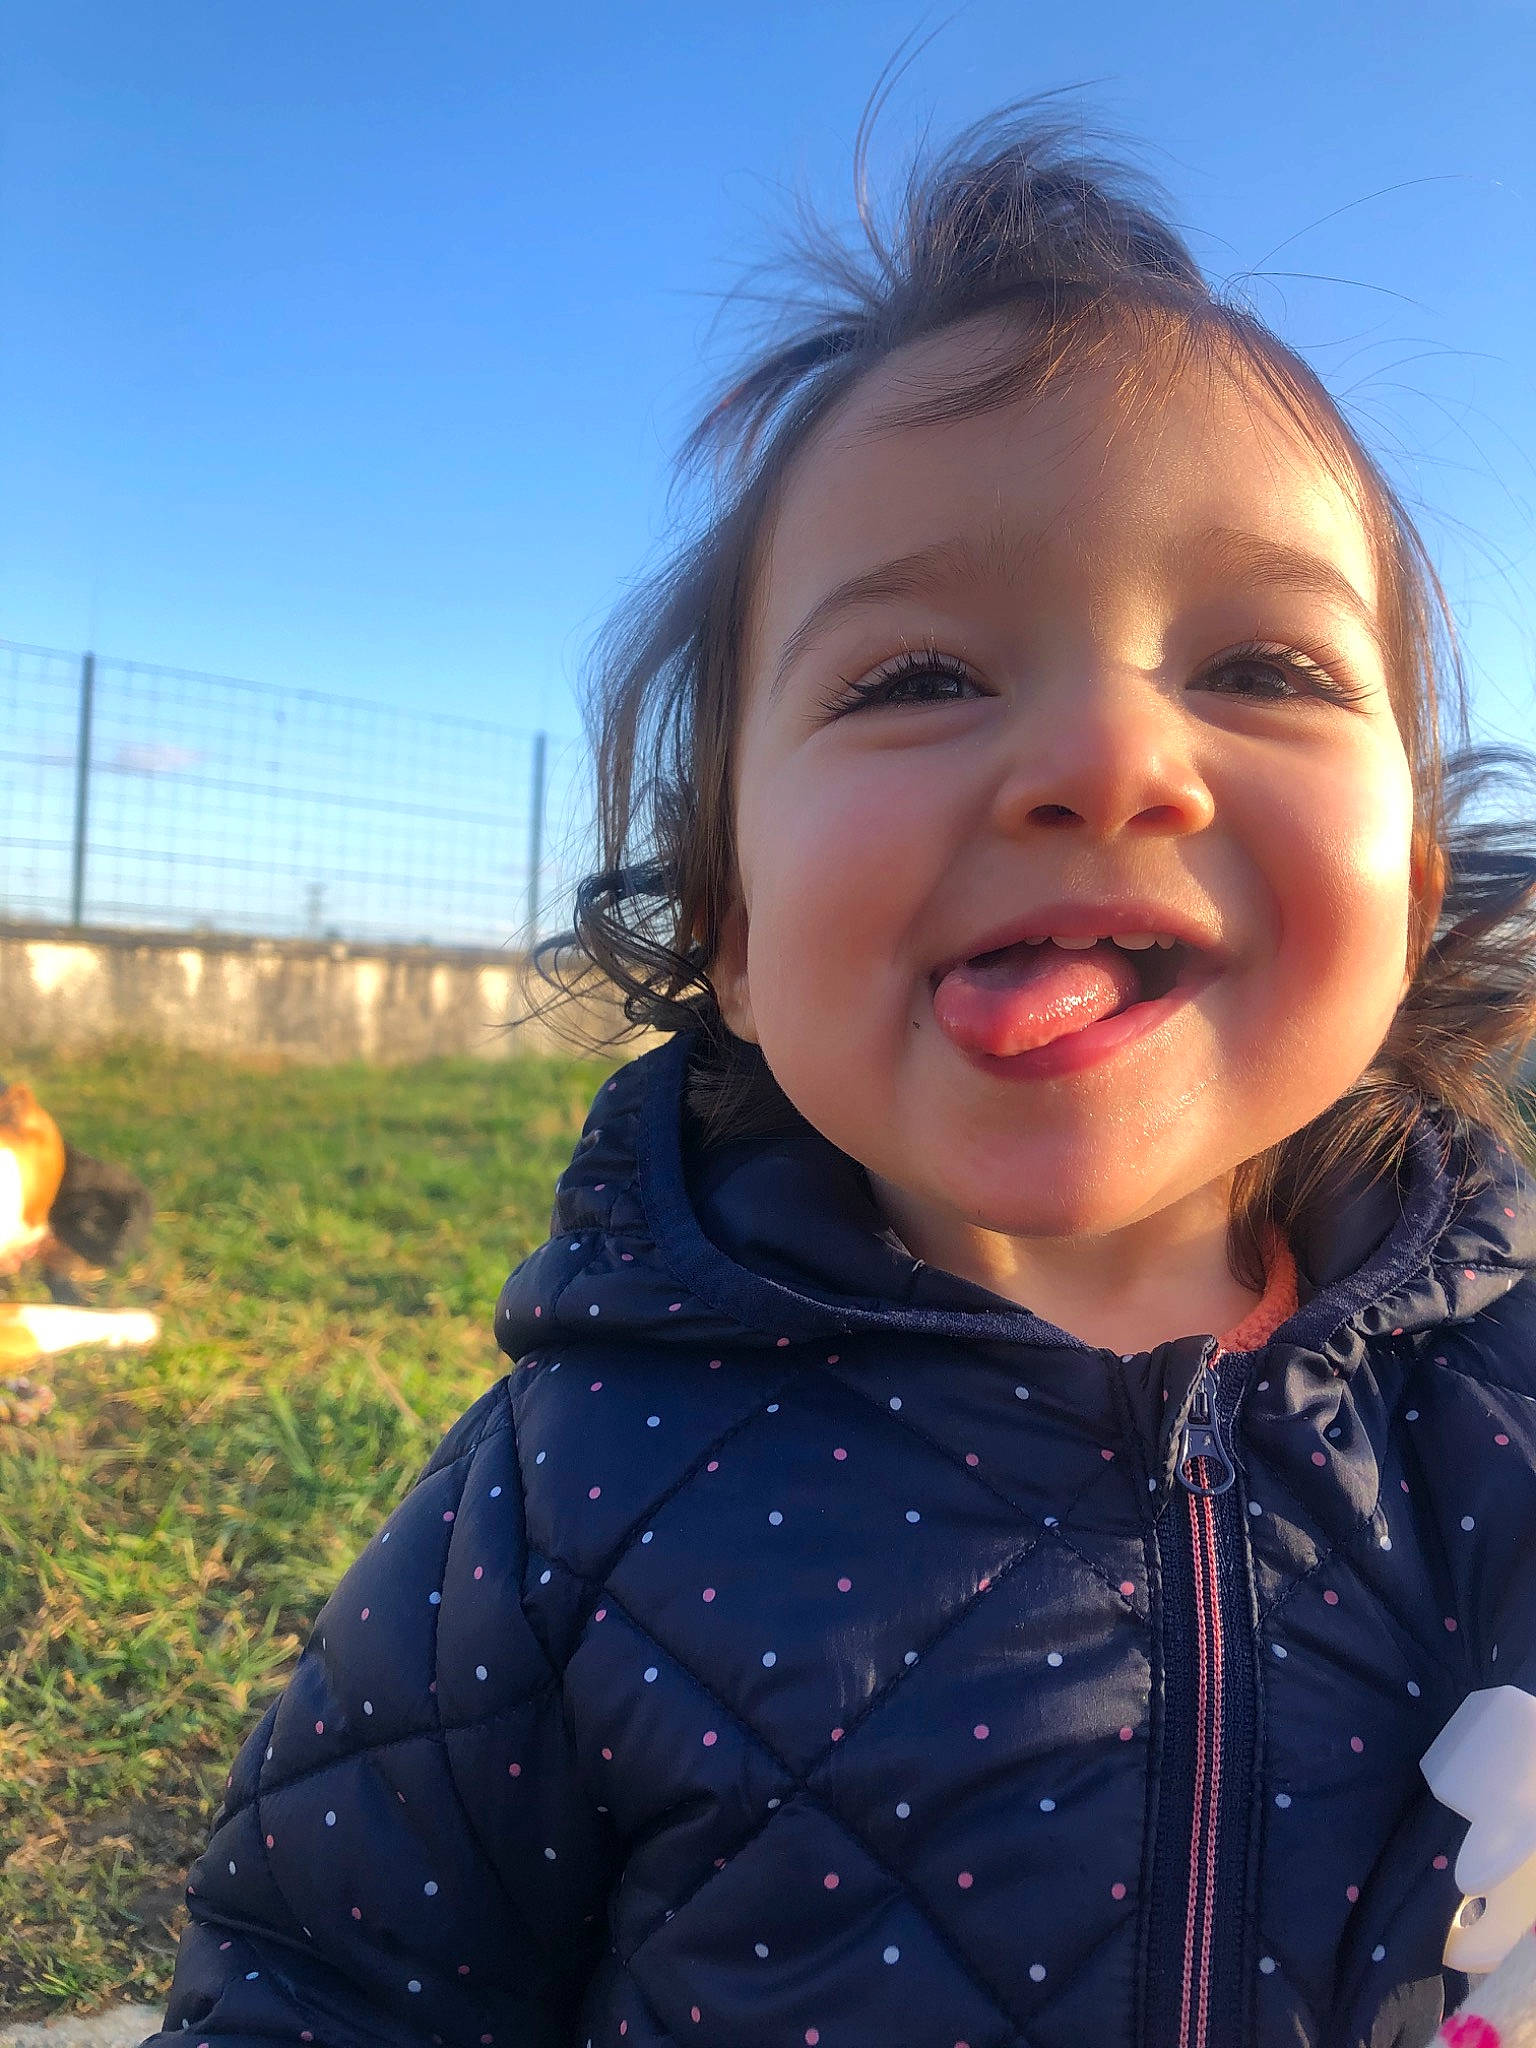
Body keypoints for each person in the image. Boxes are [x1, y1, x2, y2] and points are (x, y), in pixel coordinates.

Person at [144, 91, 1536, 2048]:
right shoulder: (578, 1494)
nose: (1110, 762)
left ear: (1408, 882)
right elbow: (324, 1981)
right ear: (727, 916)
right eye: (918, 677)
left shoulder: (1503, 1413)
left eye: (1262, 668)